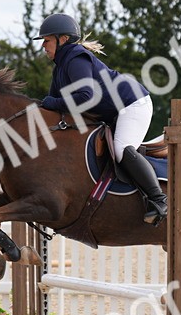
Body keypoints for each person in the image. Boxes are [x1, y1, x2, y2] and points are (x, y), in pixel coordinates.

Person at [33, 12, 167, 225]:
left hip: (132, 104)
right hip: (113, 111)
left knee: (122, 149)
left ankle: (158, 200)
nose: (43, 46)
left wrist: (50, 103)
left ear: (63, 39)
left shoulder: (76, 57)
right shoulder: (61, 68)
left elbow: (86, 96)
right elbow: (53, 104)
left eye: (47, 40)